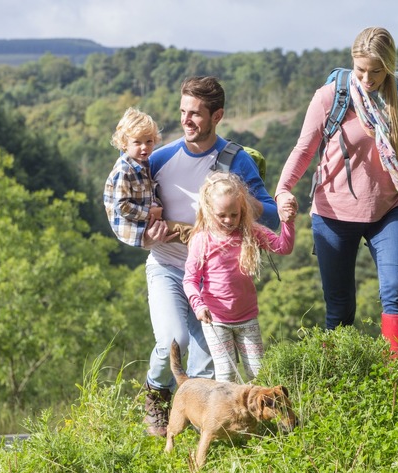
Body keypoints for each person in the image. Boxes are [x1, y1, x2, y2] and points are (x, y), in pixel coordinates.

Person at [275, 26, 398, 358]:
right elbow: (304, 150)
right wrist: (282, 190)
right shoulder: (331, 96)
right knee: (340, 307)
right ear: (352, 63)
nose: (368, 78)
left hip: (391, 207)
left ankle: (397, 378)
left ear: (389, 66)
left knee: (395, 290)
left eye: (376, 71)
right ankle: (338, 384)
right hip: (333, 214)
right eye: (361, 70)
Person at [141, 76, 280, 437]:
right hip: (169, 266)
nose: (187, 121)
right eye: (183, 112)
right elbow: (129, 205)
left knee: (207, 368)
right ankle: (156, 394)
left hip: (213, 280)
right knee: (173, 339)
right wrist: (143, 233)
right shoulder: (160, 158)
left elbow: (271, 212)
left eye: (196, 114)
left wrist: (230, 199)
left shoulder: (235, 160)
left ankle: (204, 435)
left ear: (217, 115)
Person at [183, 171, 296, 383]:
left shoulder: (251, 232)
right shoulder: (202, 240)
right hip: (216, 319)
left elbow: (283, 247)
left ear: (242, 209)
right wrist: (198, 306)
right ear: (209, 211)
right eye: (222, 215)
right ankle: (230, 416)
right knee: (226, 374)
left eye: (234, 214)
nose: (229, 220)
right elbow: (189, 280)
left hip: (247, 317)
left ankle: (258, 414)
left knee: (258, 373)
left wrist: (288, 222)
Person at [103, 107, 192, 246]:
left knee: (181, 233)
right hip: (136, 228)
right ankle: (209, 247)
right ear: (124, 144)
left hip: (147, 220)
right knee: (186, 232)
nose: (144, 147)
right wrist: (149, 213)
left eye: (149, 141)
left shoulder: (144, 163)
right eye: (137, 142)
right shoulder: (124, 170)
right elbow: (122, 206)